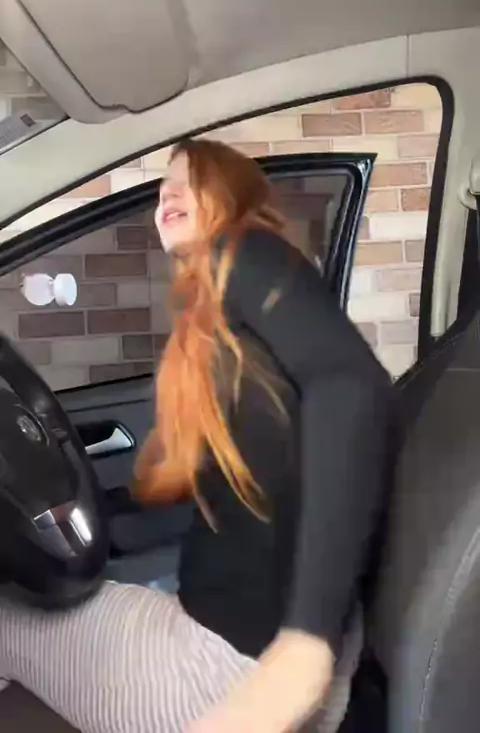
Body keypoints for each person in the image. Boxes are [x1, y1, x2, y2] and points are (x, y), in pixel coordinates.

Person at [0, 139, 394, 733]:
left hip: (231, 672)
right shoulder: (220, 325)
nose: (168, 197)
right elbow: (223, 488)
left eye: (191, 181)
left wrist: (305, 646)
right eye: (163, 188)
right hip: (235, 640)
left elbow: (352, 383)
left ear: (231, 194)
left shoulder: (243, 250)